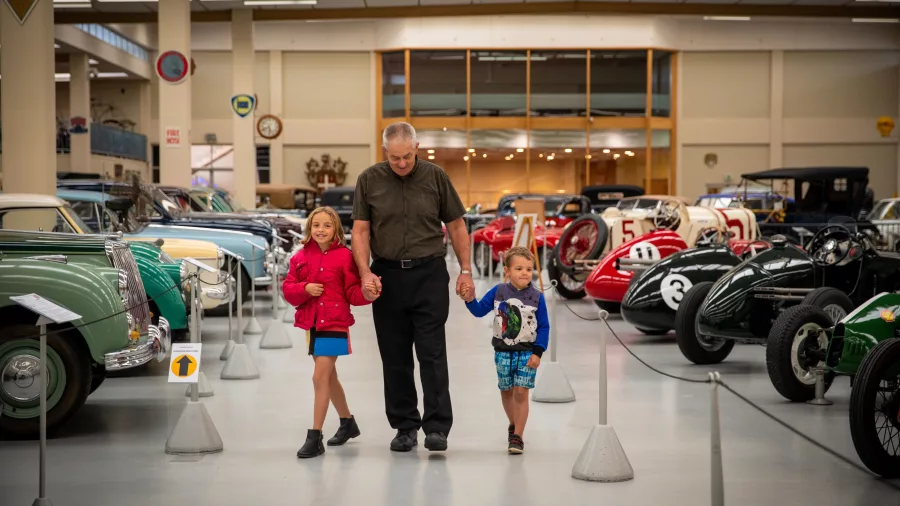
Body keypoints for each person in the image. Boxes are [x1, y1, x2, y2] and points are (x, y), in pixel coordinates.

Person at [351, 121, 475, 452]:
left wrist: (465, 270)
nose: (402, 163)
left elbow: (457, 226)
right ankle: (405, 426)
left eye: (407, 156)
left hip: (429, 274)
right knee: (395, 357)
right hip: (387, 277)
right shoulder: (369, 180)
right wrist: (365, 273)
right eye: (395, 158)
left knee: (432, 353)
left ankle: (437, 428)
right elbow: (360, 231)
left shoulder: (436, 178)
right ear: (385, 153)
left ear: (417, 148)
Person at [282, 206, 376, 459]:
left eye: (326, 225)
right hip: (311, 324)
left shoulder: (345, 257)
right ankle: (347, 423)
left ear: (336, 229)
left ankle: (315, 436)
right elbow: (288, 289)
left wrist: (368, 294)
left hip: (335, 323)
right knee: (329, 377)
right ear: (309, 228)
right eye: (316, 225)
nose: (320, 230)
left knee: (319, 378)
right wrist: (305, 288)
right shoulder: (300, 257)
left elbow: (353, 293)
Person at [460, 246, 549, 454]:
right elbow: (479, 310)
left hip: (527, 352)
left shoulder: (537, 297)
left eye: (528, 269)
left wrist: (538, 352)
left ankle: (518, 436)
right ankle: (513, 423)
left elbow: (544, 326)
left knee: (521, 392)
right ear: (507, 271)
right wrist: (469, 299)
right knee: (507, 391)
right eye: (519, 268)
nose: (525, 273)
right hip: (502, 351)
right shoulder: (498, 292)